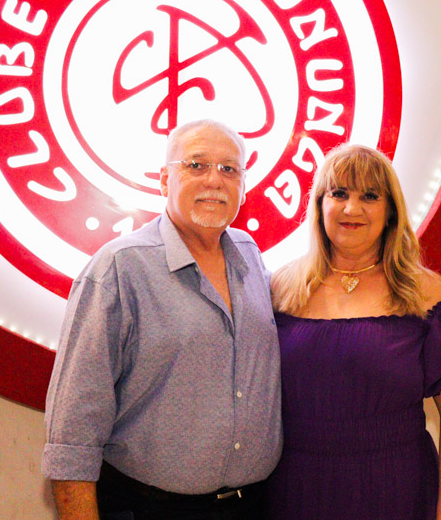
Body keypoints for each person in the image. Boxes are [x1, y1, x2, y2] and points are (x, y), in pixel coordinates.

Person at [43, 119, 282, 520]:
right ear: (164, 179)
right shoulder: (119, 269)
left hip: (252, 505)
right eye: (196, 165)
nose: (214, 180)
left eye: (229, 169)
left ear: (243, 186)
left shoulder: (249, 254)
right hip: (148, 508)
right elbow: (73, 429)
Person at [266, 144, 441, 520]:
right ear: (319, 204)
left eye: (369, 196)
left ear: (390, 211)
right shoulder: (281, 288)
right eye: (339, 193)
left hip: (394, 490)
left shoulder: (425, 295)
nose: (352, 209)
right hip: (294, 491)